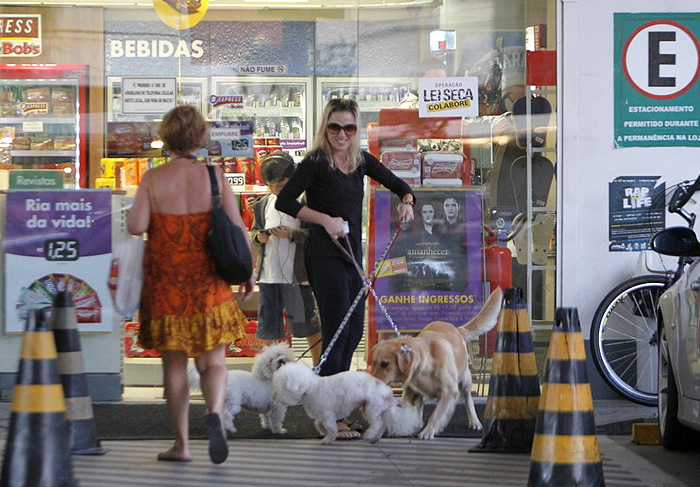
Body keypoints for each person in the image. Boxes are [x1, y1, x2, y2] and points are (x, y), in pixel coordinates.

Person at [275, 98, 415, 439]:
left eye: (349, 128)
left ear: (356, 131)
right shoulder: (315, 162)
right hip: (324, 254)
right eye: (335, 127)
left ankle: (337, 410)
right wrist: (325, 220)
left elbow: (399, 185)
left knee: (352, 332)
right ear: (326, 127)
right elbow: (285, 201)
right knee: (337, 329)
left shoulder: (361, 160)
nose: (341, 134)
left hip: (351, 255)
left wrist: (407, 203)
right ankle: (330, 418)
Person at [127, 105, 254, 464]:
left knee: (174, 367)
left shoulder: (153, 179)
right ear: (200, 138)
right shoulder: (215, 177)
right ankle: (213, 411)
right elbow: (236, 228)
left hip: (167, 288)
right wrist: (248, 271)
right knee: (213, 363)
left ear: (166, 138)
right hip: (208, 286)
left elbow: (136, 226)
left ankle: (181, 445)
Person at [250, 151, 322, 365]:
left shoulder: (306, 201)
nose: (275, 189)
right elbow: (254, 234)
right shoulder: (262, 204)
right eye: (270, 185)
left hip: (297, 275)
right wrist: (259, 237)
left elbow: (316, 236)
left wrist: (292, 234)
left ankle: (319, 367)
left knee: (308, 324)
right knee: (268, 326)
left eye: (280, 184)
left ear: (292, 179)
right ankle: (272, 370)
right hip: (268, 274)